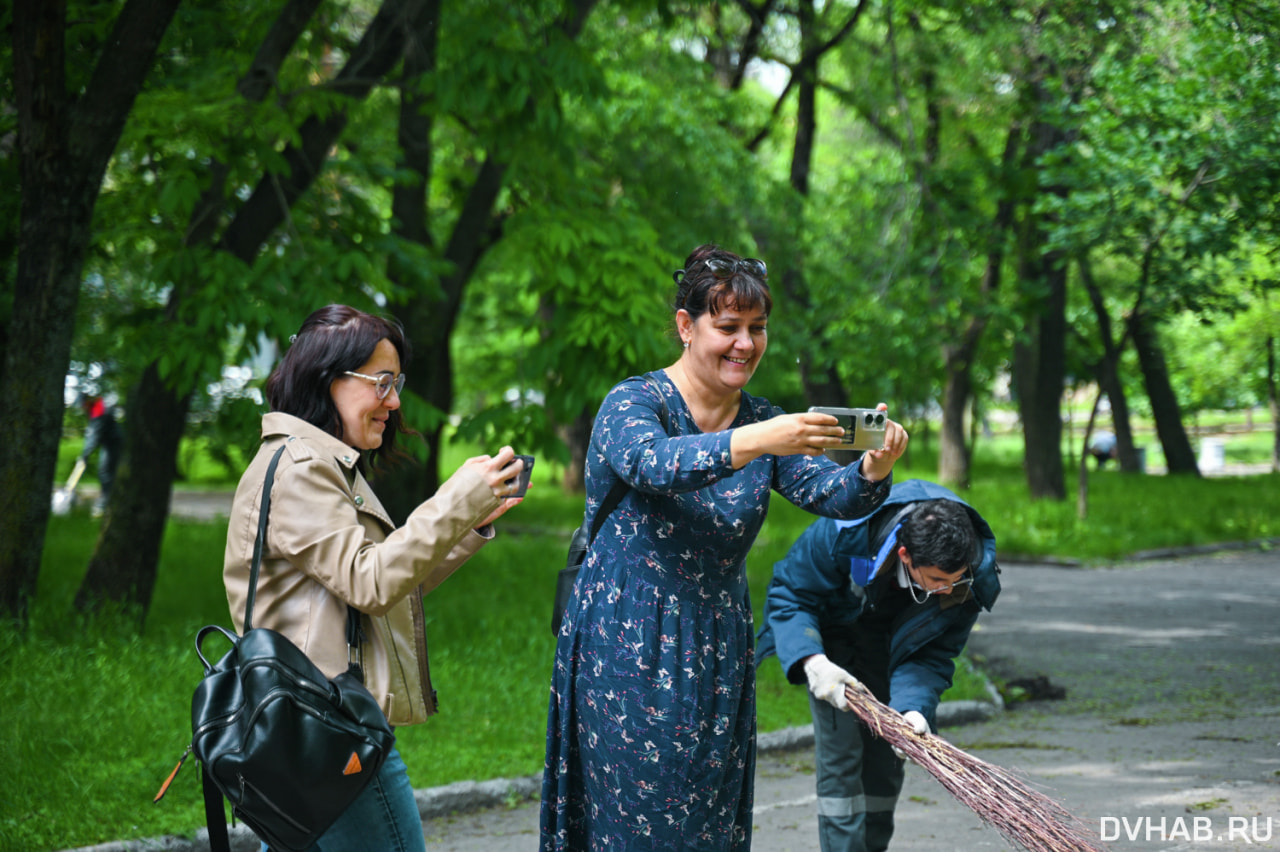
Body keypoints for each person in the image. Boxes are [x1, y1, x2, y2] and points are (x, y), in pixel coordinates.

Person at [540, 244, 908, 851]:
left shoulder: (763, 419)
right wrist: (759, 438)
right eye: (728, 326)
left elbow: (832, 495)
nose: (746, 344)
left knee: (707, 823)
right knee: (637, 824)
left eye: (757, 329)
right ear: (687, 327)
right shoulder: (633, 404)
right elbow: (654, 464)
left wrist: (871, 469)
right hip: (629, 642)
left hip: (717, 644)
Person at [223, 305, 529, 852]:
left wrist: (467, 526)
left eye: (398, 383)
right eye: (382, 383)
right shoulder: (302, 468)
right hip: (332, 733)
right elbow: (370, 581)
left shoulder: (318, 461)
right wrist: (453, 501)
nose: (394, 402)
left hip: (302, 731)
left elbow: (374, 586)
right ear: (328, 379)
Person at [756, 479, 1001, 852]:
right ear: (905, 555)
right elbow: (791, 593)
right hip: (834, 646)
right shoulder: (847, 527)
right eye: (937, 580)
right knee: (842, 761)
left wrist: (916, 709)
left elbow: (933, 653)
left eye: (955, 579)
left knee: (885, 765)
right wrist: (813, 661)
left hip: (892, 651)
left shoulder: (968, 580)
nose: (949, 590)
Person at [78, 394, 123, 516]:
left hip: (113, 443)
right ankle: (110, 500)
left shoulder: (99, 409)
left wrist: (86, 454)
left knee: (106, 472)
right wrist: (85, 454)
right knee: (105, 472)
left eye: (83, 404)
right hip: (109, 443)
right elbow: (91, 434)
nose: (82, 408)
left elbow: (95, 435)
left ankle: (107, 502)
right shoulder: (95, 409)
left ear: (87, 402)